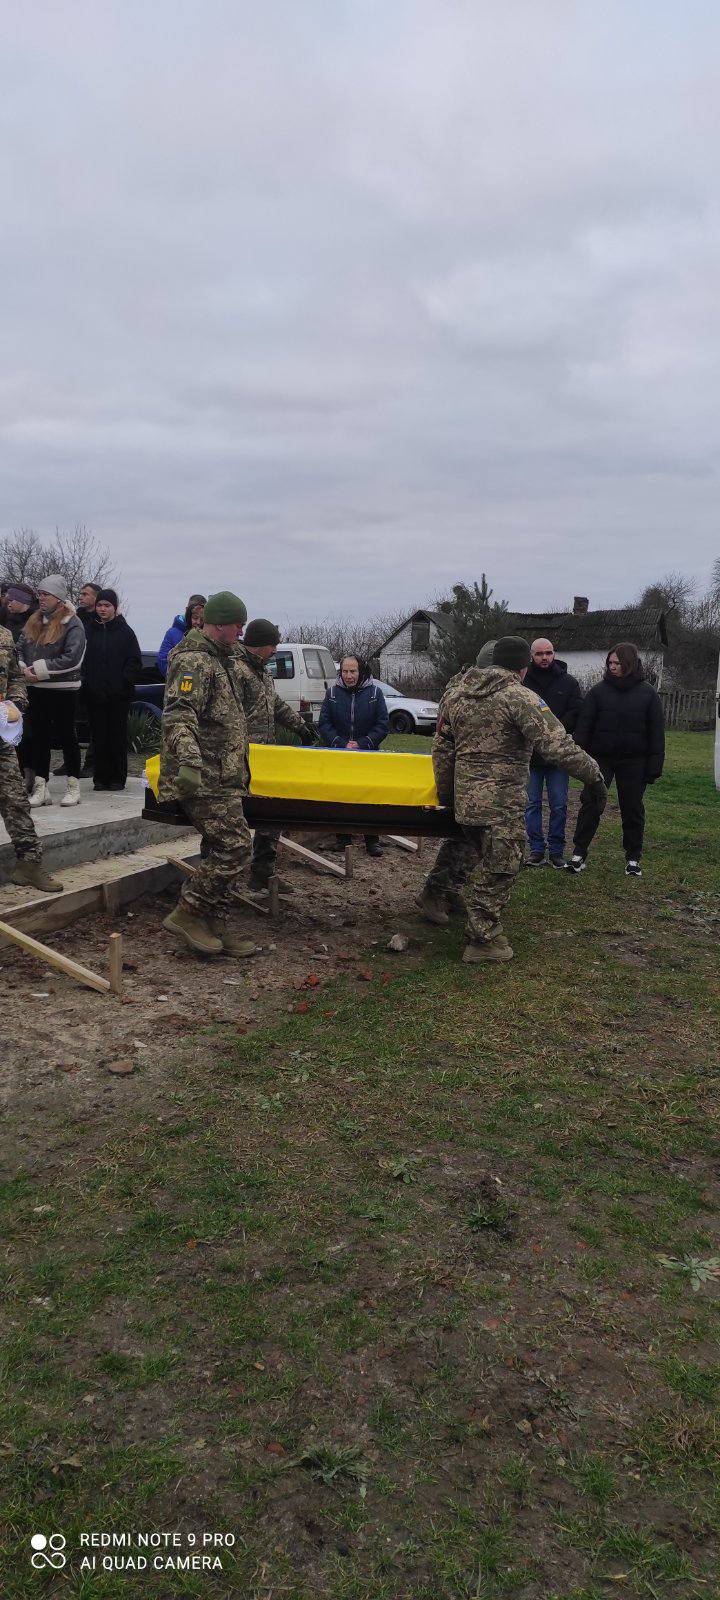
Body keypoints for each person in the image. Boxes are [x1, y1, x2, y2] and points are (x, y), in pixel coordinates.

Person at [426, 636, 606, 962]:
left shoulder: (457, 695)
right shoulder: (521, 698)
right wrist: (593, 774)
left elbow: (442, 749)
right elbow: (557, 745)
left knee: (474, 851)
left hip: (466, 800)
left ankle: (441, 895)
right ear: (523, 668)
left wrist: (449, 795)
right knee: (502, 866)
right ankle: (483, 939)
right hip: (501, 804)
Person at [160, 590, 257, 959]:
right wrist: (189, 761)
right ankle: (188, 913)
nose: (241, 632)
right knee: (235, 847)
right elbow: (178, 714)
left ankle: (215, 925)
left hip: (224, 775)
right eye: (238, 626)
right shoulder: (194, 661)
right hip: (202, 775)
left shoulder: (222, 657)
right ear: (220, 624)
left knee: (218, 848)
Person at [566, 641, 665, 878]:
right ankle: (579, 853)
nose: (612, 667)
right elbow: (584, 727)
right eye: (610, 662)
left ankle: (633, 858)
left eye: (617, 663)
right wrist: (579, 758)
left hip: (635, 761)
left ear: (629, 664)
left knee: (632, 809)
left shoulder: (648, 694)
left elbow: (656, 733)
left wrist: (654, 766)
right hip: (601, 759)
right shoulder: (597, 692)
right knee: (591, 804)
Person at [417, 638, 497, 924]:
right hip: (465, 779)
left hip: (487, 781)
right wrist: (447, 790)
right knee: (463, 838)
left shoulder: (491, 690)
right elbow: (443, 744)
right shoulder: (460, 693)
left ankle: (451, 888)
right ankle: (433, 891)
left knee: (475, 841)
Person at [237, 618, 318, 894]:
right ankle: (219, 878)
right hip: (240, 758)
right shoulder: (237, 671)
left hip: (266, 759)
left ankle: (263, 872)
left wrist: (302, 727)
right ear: (259, 644)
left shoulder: (262, 671)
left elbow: (275, 704)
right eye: (272, 645)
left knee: (271, 816)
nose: (275, 651)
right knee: (232, 817)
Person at [0, 623, 62, 891]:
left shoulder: (4, 635)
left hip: (1, 736)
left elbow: (15, 676)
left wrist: (16, 703)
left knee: (15, 799)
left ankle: (29, 864)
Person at [17, 575, 86, 808]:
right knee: (39, 738)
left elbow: (73, 658)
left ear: (58, 597)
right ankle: (41, 787)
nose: (41, 598)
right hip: (37, 689)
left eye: (46, 594)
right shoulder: (34, 620)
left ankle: (73, 787)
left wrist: (39, 670)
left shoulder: (73, 623)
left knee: (67, 736)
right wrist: (23, 668)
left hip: (64, 689)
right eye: (40, 593)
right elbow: (20, 648)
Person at [318, 655, 389, 857]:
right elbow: (324, 724)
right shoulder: (332, 693)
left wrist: (362, 744)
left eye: (353, 671)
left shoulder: (375, 693)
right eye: (345, 671)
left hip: (367, 755)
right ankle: (343, 838)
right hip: (339, 755)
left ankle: (372, 840)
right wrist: (341, 744)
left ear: (361, 671)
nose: (348, 676)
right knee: (341, 796)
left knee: (369, 797)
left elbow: (382, 725)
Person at [523, 637, 583, 868]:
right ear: (532, 656)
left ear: (554, 654)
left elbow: (576, 711)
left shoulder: (569, 683)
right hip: (530, 754)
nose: (544, 657)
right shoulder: (522, 683)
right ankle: (536, 849)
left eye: (548, 653)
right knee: (532, 804)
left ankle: (556, 850)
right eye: (539, 654)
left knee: (559, 804)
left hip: (558, 755)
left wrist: (554, 731)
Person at [82, 589, 142, 791]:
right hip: (94, 694)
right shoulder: (88, 630)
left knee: (116, 737)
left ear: (115, 608)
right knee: (98, 738)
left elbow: (134, 660)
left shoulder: (125, 632)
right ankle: (100, 777)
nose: (102, 609)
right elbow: (82, 659)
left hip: (118, 696)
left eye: (107, 605)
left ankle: (117, 778)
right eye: (100, 605)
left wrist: (124, 682)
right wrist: (87, 683)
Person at [157, 595, 207, 677]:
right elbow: (163, 661)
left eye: (202, 619)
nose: (198, 622)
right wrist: (180, 677)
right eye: (195, 618)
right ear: (187, 610)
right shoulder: (172, 633)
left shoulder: (208, 635)